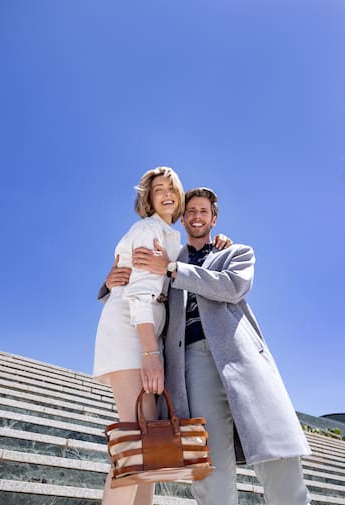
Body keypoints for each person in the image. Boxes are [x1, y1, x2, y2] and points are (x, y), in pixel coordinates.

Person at [108, 187, 312, 505]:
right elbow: (137, 289)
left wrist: (174, 270)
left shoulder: (236, 253)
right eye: (191, 211)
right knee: (210, 468)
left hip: (241, 358)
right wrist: (111, 280)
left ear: (214, 218)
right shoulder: (167, 259)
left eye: (204, 211)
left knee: (279, 457)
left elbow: (232, 287)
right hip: (191, 362)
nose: (197, 216)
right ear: (183, 220)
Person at [93, 170, 228, 505]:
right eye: (158, 190)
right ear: (148, 198)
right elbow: (139, 295)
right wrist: (151, 354)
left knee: (148, 442)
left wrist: (217, 242)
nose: (166, 194)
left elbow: (183, 268)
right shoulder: (149, 229)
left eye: (172, 188)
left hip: (145, 340)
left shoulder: (171, 240)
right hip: (131, 338)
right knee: (135, 440)